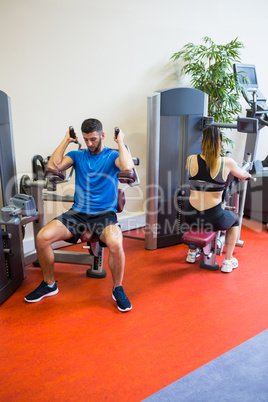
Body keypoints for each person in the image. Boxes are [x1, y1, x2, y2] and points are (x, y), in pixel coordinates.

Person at [25, 118, 134, 312]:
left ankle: (118, 288)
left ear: (102, 135)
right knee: (42, 237)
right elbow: (53, 166)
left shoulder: (112, 156)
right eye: (86, 140)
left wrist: (120, 142)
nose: (90, 144)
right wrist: (67, 140)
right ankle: (49, 285)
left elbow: (127, 168)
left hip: (104, 215)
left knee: (116, 243)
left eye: (93, 139)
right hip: (77, 214)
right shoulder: (77, 155)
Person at [185, 126, 251, 273]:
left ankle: (192, 252)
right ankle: (228, 261)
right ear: (220, 143)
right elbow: (242, 175)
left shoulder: (190, 160)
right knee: (234, 220)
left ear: (202, 143)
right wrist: (246, 174)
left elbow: (189, 170)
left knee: (197, 217)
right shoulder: (227, 162)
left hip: (190, 215)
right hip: (213, 218)